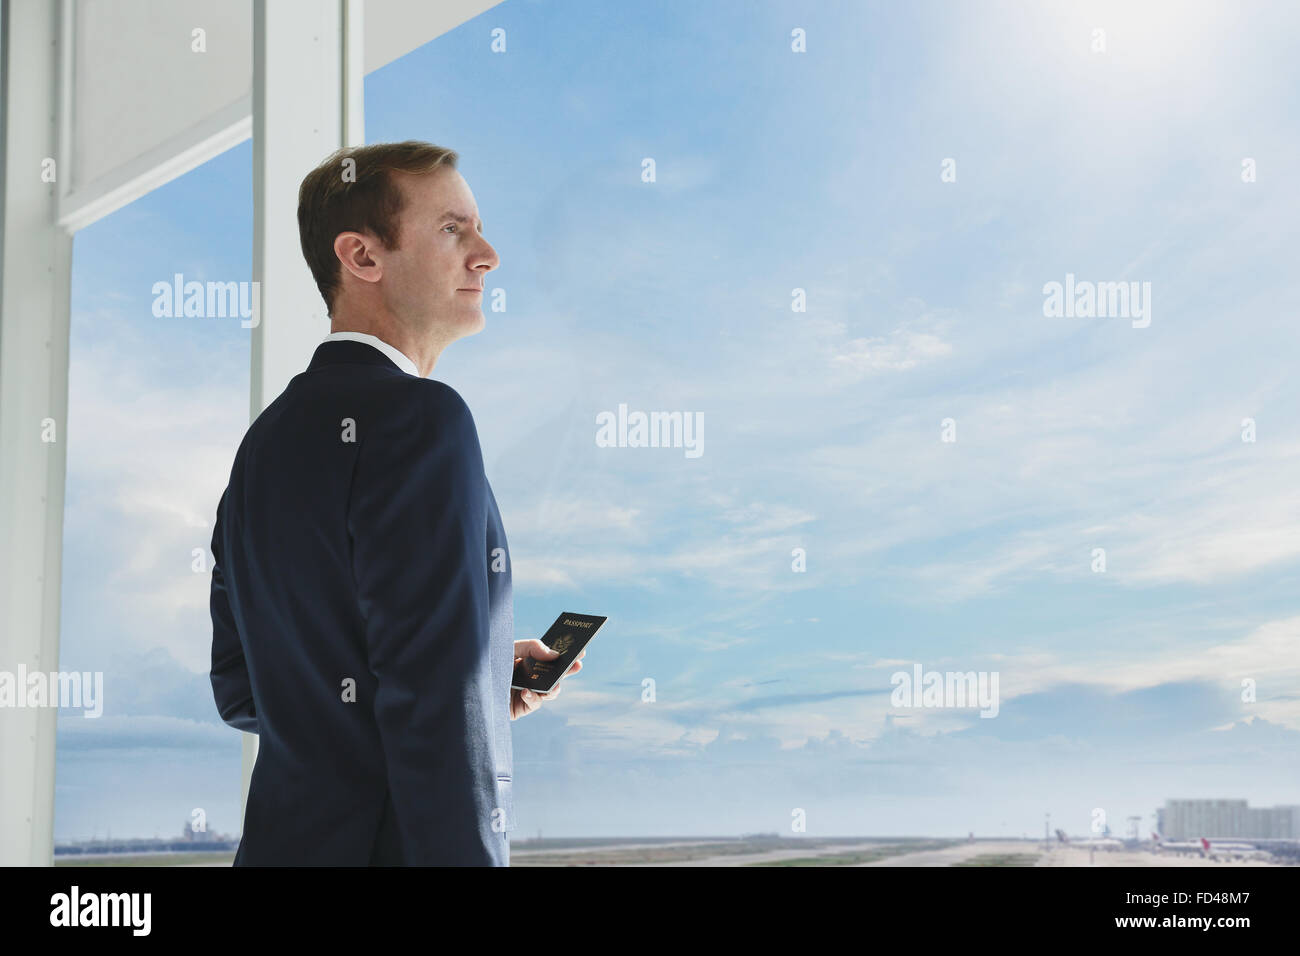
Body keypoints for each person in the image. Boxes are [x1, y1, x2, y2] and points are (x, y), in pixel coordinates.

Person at [208, 141, 581, 865]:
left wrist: (469, 675)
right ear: (363, 256)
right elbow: (435, 721)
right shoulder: (423, 419)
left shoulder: (262, 446)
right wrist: (452, 691)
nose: (488, 254)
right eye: (454, 229)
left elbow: (244, 690)